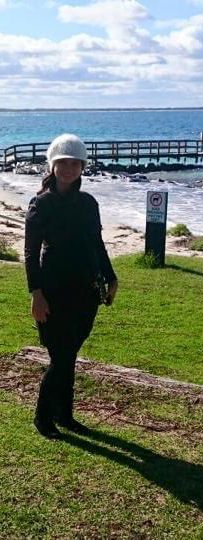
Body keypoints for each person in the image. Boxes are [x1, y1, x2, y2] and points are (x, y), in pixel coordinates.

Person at [24, 133, 118, 439]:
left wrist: (111, 277)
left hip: (86, 289)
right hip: (53, 289)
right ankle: (43, 416)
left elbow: (97, 243)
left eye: (74, 163)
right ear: (52, 166)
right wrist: (36, 293)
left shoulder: (89, 203)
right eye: (62, 162)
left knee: (69, 354)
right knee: (61, 356)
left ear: (82, 166)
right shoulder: (41, 204)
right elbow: (30, 254)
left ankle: (64, 414)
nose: (68, 168)